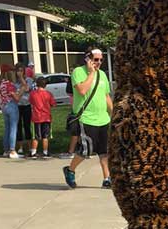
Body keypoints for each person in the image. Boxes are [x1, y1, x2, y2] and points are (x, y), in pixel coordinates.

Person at [63, 48, 113, 188]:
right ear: (88, 59)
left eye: (101, 60)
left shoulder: (102, 74)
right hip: (86, 118)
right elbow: (82, 90)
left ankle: (107, 178)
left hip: (103, 119)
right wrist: (91, 73)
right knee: (86, 151)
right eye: (96, 59)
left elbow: (106, 96)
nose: (99, 62)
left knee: (104, 151)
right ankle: (70, 170)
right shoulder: (78, 72)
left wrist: (113, 113)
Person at [0, 66, 22, 159]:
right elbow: (17, 98)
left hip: (4, 106)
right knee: (13, 128)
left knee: (7, 128)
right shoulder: (9, 84)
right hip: (11, 106)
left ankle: (6, 150)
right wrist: (21, 91)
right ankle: (12, 150)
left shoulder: (0, 83)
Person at [29, 76, 57, 158]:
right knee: (45, 136)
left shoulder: (33, 93)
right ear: (45, 85)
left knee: (36, 136)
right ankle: (45, 152)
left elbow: (30, 101)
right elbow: (53, 104)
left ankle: (33, 152)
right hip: (46, 117)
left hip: (36, 117)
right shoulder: (48, 94)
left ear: (36, 84)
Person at [14, 62, 35, 155]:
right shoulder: (14, 82)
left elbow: (27, 89)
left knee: (27, 126)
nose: (19, 72)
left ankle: (30, 146)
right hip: (17, 106)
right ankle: (20, 147)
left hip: (26, 105)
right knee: (18, 126)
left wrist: (22, 79)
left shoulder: (29, 80)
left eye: (21, 71)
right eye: (18, 71)